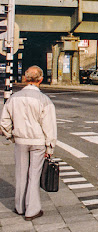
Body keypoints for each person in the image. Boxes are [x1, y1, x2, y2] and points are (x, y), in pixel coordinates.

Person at [1, 66, 56, 221]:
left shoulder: (14, 98)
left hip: (20, 141)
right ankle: (32, 210)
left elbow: (4, 121)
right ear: (41, 79)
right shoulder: (44, 100)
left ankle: (19, 206)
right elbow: (49, 127)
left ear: (25, 79)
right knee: (34, 175)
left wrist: (11, 136)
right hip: (38, 142)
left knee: (20, 174)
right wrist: (49, 147)